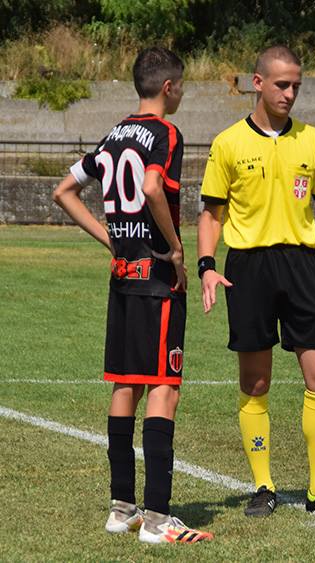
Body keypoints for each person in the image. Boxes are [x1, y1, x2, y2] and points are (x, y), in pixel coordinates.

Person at [53, 46, 213, 544]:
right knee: (164, 385)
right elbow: (150, 187)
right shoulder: (165, 134)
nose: (182, 93)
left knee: (126, 384)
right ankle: (160, 519)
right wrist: (176, 249)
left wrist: (111, 239)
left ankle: (122, 508)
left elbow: (63, 191)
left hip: (123, 276)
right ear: (168, 87)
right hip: (156, 280)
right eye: (182, 85)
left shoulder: (113, 135)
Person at [198, 45, 315, 517]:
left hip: (303, 266)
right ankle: (263, 486)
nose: (290, 93)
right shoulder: (227, 143)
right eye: (282, 84)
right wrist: (206, 265)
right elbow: (211, 213)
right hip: (248, 268)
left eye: (297, 86)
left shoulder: (314, 140)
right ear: (257, 83)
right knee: (256, 381)